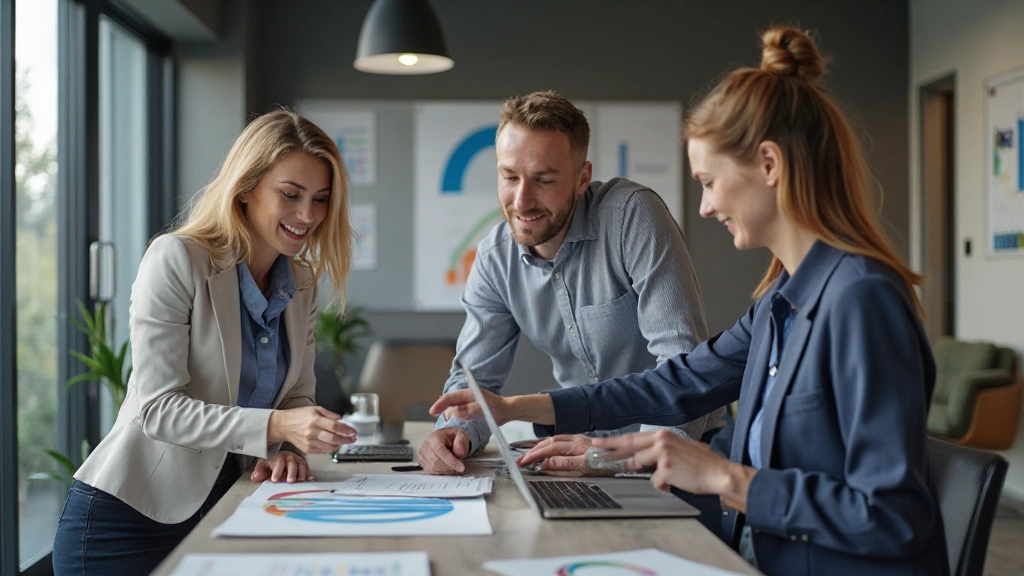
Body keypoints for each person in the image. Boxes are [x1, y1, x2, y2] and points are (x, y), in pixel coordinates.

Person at [430, 27, 949, 576]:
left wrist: (722, 476)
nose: (703, 207)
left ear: (769, 166)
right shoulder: (781, 301)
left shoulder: (863, 301)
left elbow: (893, 516)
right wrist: (517, 409)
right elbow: (675, 384)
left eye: (708, 181)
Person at [52, 110, 360, 575]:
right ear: (245, 189)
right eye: (290, 195)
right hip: (125, 525)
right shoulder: (177, 260)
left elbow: (297, 392)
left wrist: (291, 451)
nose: (308, 215)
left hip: (225, 508)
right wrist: (279, 427)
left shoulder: (301, 283)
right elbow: (158, 408)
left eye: (320, 199)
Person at [418, 90, 728, 478]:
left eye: (544, 180)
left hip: (678, 455)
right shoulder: (495, 257)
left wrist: (622, 459)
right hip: (580, 455)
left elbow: (682, 368)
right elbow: (474, 381)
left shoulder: (632, 217)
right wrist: (453, 432)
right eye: (509, 177)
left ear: (583, 178)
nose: (521, 201)